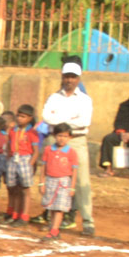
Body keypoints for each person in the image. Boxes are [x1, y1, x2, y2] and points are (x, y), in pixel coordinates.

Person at [41, 62, 96, 235]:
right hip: (55, 139)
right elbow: (46, 117)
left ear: (78, 79)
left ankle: (87, 221)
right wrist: (69, 121)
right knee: (52, 176)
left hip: (77, 140)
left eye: (73, 77)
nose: (69, 80)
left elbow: (84, 121)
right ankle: (52, 217)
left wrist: (61, 121)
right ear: (62, 77)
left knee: (81, 180)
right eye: (67, 77)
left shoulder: (85, 99)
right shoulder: (53, 98)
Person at [41, 123, 79, 240]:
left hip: (64, 182)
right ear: (54, 135)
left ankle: (53, 230)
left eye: (65, 136)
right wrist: (42, 183)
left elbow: (74, 171)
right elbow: (43, 167)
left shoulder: (71, 152)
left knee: (59, 208)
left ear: (70, 137)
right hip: (50, 180)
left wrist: (72, 187)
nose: (62, 138)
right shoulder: (48, 150)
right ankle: (54, 229)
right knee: (52, 207)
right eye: (59, 135)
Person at [5, 105, 39, 223]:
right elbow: (9, 144)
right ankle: (14, 214)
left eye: (23, 117)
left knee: (25, 189)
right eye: (18, 116)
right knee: (14, 188)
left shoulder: (32, 132)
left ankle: (24, 215)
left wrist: (30, 164)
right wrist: (8, 157)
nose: (19, 118)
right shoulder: (13, 130)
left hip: (25, 159)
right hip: (13, 158)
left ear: (30, 118)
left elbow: (35, 151)